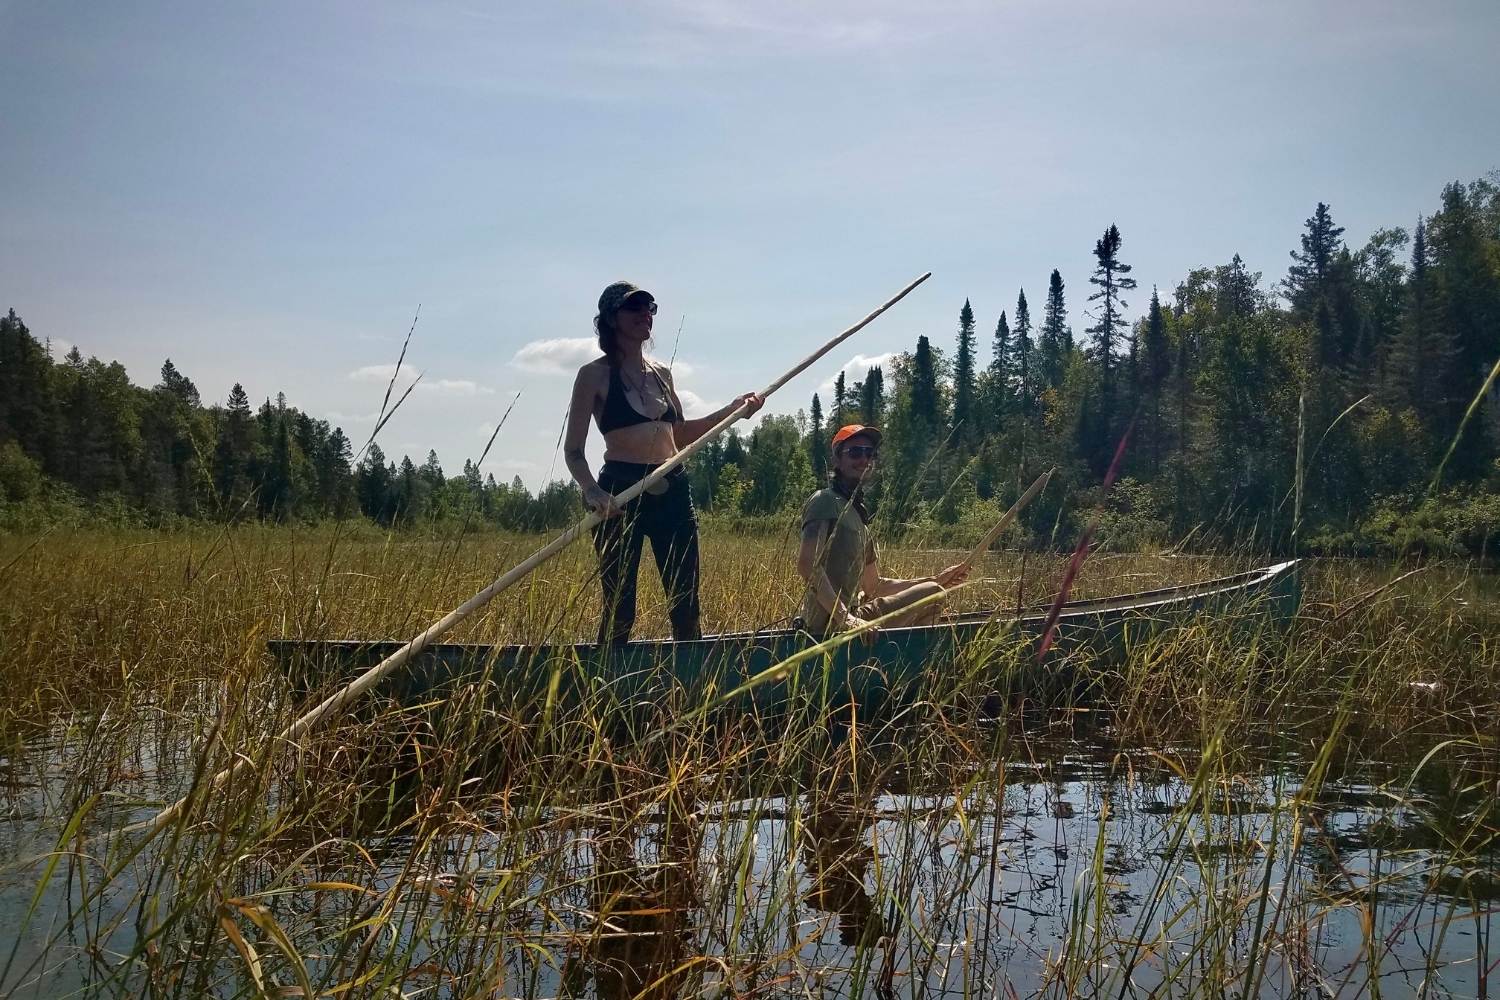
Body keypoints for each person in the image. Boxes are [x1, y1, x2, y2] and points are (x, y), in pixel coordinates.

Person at [564, 281, 763, 645]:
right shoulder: (593, 375)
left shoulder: (662, 374)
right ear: (611, 318)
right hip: (619, 495)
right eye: (634, 307)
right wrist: (592, 491)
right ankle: (606, 675)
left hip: (673, 491)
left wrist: (732, 411)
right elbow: (574, 451)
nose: (645, 314)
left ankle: (689, 674)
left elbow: (680, 435)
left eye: (650, 308)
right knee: (620, 608)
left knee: (685, 605)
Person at [796, 424, 968, 636]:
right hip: (828, 627)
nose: (864, 459)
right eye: (855, 452)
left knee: (933, 591)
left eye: (870, 453)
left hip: (854, 617)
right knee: (934, 593)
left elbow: (875, 586)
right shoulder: (824, 500)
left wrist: (936, 579)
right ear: (837, 460)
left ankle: (903, 656)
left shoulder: (859, 518)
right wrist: (847, 619)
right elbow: (807, 565)